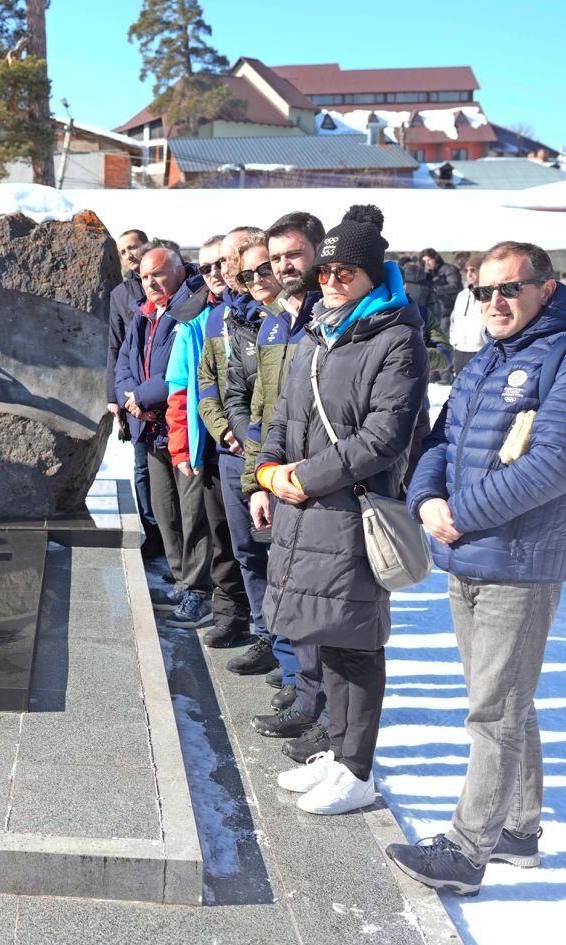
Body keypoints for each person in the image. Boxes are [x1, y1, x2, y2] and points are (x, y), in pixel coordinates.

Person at [390, 242, 566, 895]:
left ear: (547, 288)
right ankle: (518, 826)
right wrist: (426, 496)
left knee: (495, 708)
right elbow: (441, 439)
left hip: (521, 558)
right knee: (506, 698)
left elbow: (559, 461)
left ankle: (467, 849)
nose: (496, 302)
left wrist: (459, 511)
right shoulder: (488, 357)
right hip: (468, 553)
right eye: (485, 290)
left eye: (510, 288)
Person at [254, 205, 428, 816]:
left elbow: (384, 436)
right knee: (321, 636)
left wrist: (303, 476)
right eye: (325, 269)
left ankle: (358, 770)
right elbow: (284, 415)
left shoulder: (395, 337)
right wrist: (266, 472)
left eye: (345, 271)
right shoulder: (316, 333)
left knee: (354, 642)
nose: (331, 280)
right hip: (306, 508)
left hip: (350, 510)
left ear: (371, 274)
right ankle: (336, 749)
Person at [245, 210, 328, 762]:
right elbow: (270, 405)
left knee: (326, 607)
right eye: (276, 258)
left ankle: (320, 709)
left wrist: (296, 473)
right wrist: (264, 473)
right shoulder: (280, 317)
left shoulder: (331, 317)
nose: (282, 266)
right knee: (295, 593)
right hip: (284, 472)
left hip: (325, 480)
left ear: (320, 252)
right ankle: (305, 690)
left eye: (293, 255)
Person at [115, 245, 212, 626]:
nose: (150, 282)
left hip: (179, 426)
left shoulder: (192, 307)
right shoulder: (144, 312)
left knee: (192, 513)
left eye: (158, 273)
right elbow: (125, 360)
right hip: (150, 429)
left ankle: (198, 588)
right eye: (143, 276)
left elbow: (182, 369)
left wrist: (141, 397)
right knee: (164, 509)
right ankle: (179, 574)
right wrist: (129, 397)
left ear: (177, 270)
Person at [163, 234, 250, 640]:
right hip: (211, 442)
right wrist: (187, 443)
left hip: (250, 442)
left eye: (221, 264)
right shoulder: (197, 320)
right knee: (219, 536)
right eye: (206, 267)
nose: (215, 273)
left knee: (248, 541)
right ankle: (228, 614)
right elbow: (185, 389)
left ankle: (256, 625)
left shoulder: (254, 315)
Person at [203, 228, 281, 677]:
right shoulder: (225, 318)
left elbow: (275, 398)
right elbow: (212, 383)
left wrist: (253, 440)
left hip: (267, 451)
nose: (230, 272)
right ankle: (265, 633)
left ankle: (285, 647)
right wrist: (227, 430)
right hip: (234, 448)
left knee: (277, 555)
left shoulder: (278, 317)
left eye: (233, 262)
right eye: (238, 268)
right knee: (247, 549)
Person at [108, 228, 160, 557]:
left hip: (164, 388)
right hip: (132, 392)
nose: (131, 253)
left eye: (135, 246)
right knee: (141, 467)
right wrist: (114, 396)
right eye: (125, 249)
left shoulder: (163, 282)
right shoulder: (119, 294)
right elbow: (114, 345)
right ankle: (152, 532)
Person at [447, 255, 485, 373]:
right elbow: (454, 320)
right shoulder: (462, 295)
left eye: (473, 270)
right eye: (466, 270)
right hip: (460, 350)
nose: (469, 274)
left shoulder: (489, 294)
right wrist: (454, 342)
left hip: (480, 350)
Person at [422, 248, 463, 339]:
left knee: (444, 338)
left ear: (435, 259)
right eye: (424, 261)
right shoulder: (428, 273)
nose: (427, 263)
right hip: (433, 311)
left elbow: (456, 286)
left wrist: (436, 289)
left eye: (429, 260)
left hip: (447, 310)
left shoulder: (449, 269)